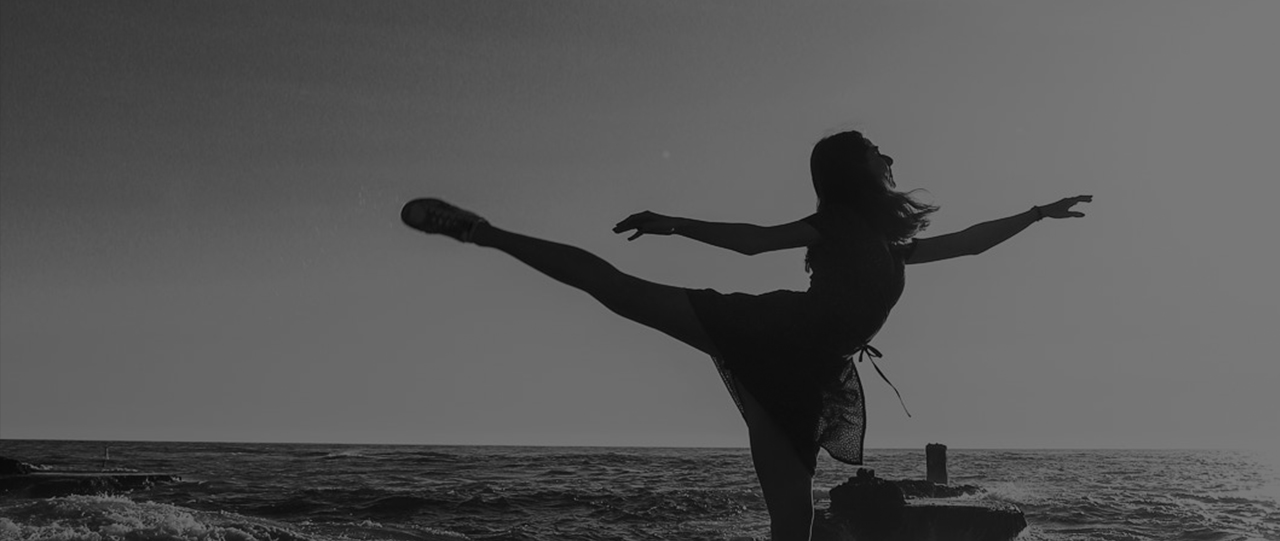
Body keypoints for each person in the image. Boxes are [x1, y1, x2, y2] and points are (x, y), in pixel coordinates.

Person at [401, 129, 1091, 540]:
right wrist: (677, 224)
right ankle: (479, 230)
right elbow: (757, 243)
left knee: (795, 530)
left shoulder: (891, 242)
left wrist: (1036, 213)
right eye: (878, 152)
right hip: (768, 333)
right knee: (616, 289)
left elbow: (969, 243)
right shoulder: (839, 226)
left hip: (809, 378)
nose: (889, 156)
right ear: (857, 171)